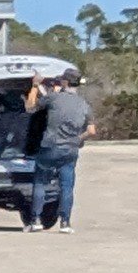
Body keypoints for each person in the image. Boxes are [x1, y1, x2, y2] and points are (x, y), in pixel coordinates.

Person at [28, 70, 94, 230]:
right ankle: (65, 223)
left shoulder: (54, 98)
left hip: (50, 146)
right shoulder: (84, 105)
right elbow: (92, 131)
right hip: (70, 149)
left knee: (40, 182)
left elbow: (30, 107)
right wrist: (77, 139)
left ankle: (35, 221)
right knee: (66, 186)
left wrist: (35, 86)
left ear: (65, 82)